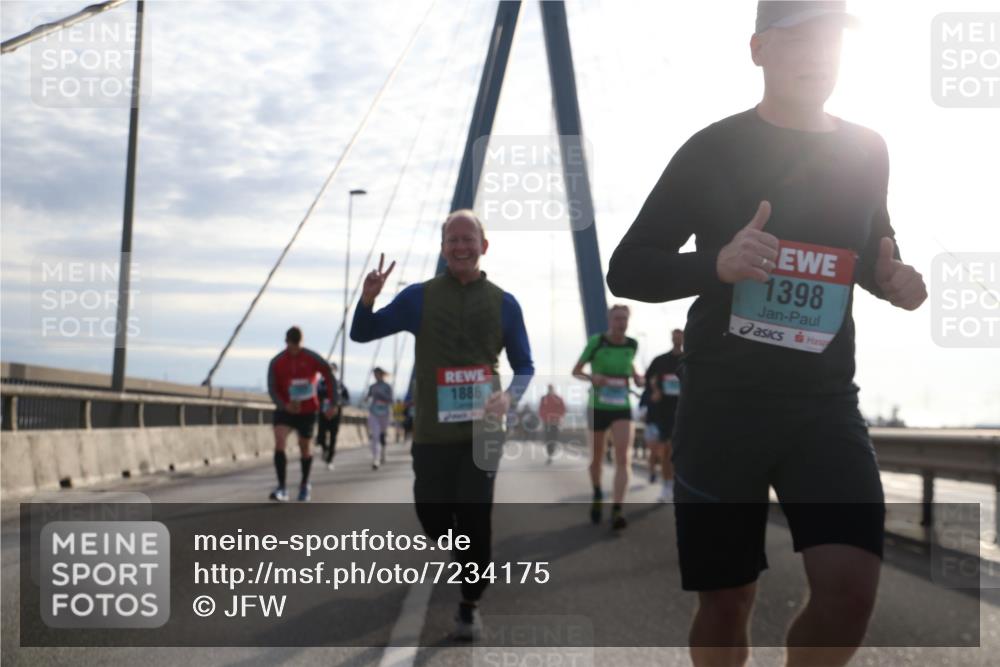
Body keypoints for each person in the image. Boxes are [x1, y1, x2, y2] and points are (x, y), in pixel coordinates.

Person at [606, 2, 927, 665]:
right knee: (727, 602)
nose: (818, 54)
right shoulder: (712, 149)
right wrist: (715, 262)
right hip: (724, 407)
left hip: (824, 406)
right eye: (800, 39)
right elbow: (627, 267)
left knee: (849, 591)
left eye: (831, 40)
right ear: (758, 50)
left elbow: (869, 252)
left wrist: (893, 279)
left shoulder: (868, 150)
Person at [350, 210, 534, 641]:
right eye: (453, 239)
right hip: (432, 432)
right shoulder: (419, 297)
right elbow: (363, 333)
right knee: (432, 517)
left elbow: (524, 365)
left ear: (484, 246)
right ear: (443, 247)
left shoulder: (505, 303)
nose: (461, 247)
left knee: (475, 516)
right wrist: (368, 298)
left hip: (482, 433)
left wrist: (510, 396)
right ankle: (462, 547)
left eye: (469, 239)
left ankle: (469, 603)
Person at [571, 305, 644, 531]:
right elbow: (576, 371)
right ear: (610, 320)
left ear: (628, 321)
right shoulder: (597, 342)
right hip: (597, 406)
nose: (621, 322)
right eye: (617, 318)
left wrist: (637, 377)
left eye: (624, 319)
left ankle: (617, 509)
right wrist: (593, 377)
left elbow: (629, 364)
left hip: (621, 406)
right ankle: (597, 493)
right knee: (597, 458)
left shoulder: (632, 344)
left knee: (624, 458)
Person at [267, 326, 337, 501]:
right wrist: (284, 405)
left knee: (305, 447)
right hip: (286, 409)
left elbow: (328, 373)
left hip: (307, 410)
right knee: (279, 438)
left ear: (302, 343)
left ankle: (305, 483)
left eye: (298, 346)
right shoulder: (277, 361)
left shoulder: (311, 357)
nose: (295, 350)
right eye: (292, 346)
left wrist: (332, 402)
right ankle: (282, 487)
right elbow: (272, 387)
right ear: (286, 343)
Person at [643, 329, 684, 502]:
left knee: (681, 453)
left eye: (680, 335)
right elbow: (647, 379)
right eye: (674, 336)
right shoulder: (660, 361)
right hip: (665, 412)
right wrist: (655, 390)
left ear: (683, 338)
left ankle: (678, 485)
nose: (677, 339)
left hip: (686, 411)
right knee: (667, 450)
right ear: (671, 338)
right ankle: (667, 485)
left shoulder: (690, 359)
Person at [316, 362, 349, 471]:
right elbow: (314, 397)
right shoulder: (320, 384)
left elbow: (347, 399)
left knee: (333, 437)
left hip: (335, 413)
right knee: (321, 436)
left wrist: (339, 403)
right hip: (322, 413)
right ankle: (324, 449)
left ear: (335, 371)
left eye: (332, 369)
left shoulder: (340, 385)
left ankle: (330, 460)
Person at [365, 367, 393, 469]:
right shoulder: (372, 386)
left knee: (382, 434)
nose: (376, 376)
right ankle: (375, 459)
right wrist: (366, 398)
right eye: (374, 374)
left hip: (384, 413)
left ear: (381, 374)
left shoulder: (387, 386)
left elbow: (390, 400)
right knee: (375, 435)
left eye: (377, 374)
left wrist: (382, 395)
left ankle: (383, 453)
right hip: (374, 413)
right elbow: (368, 397)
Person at [538, 385, 567, 464]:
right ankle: (549, 454)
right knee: (548, 438)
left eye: (551, 388)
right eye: (549, 388)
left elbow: (563, 409)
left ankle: (551, 453)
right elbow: (541, 410)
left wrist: (557, 417)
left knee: (554, 438)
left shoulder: (558, 398)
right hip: (547, 422)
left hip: (555, 422)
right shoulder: (544, 398)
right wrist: (544, 418)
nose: (550, 390)